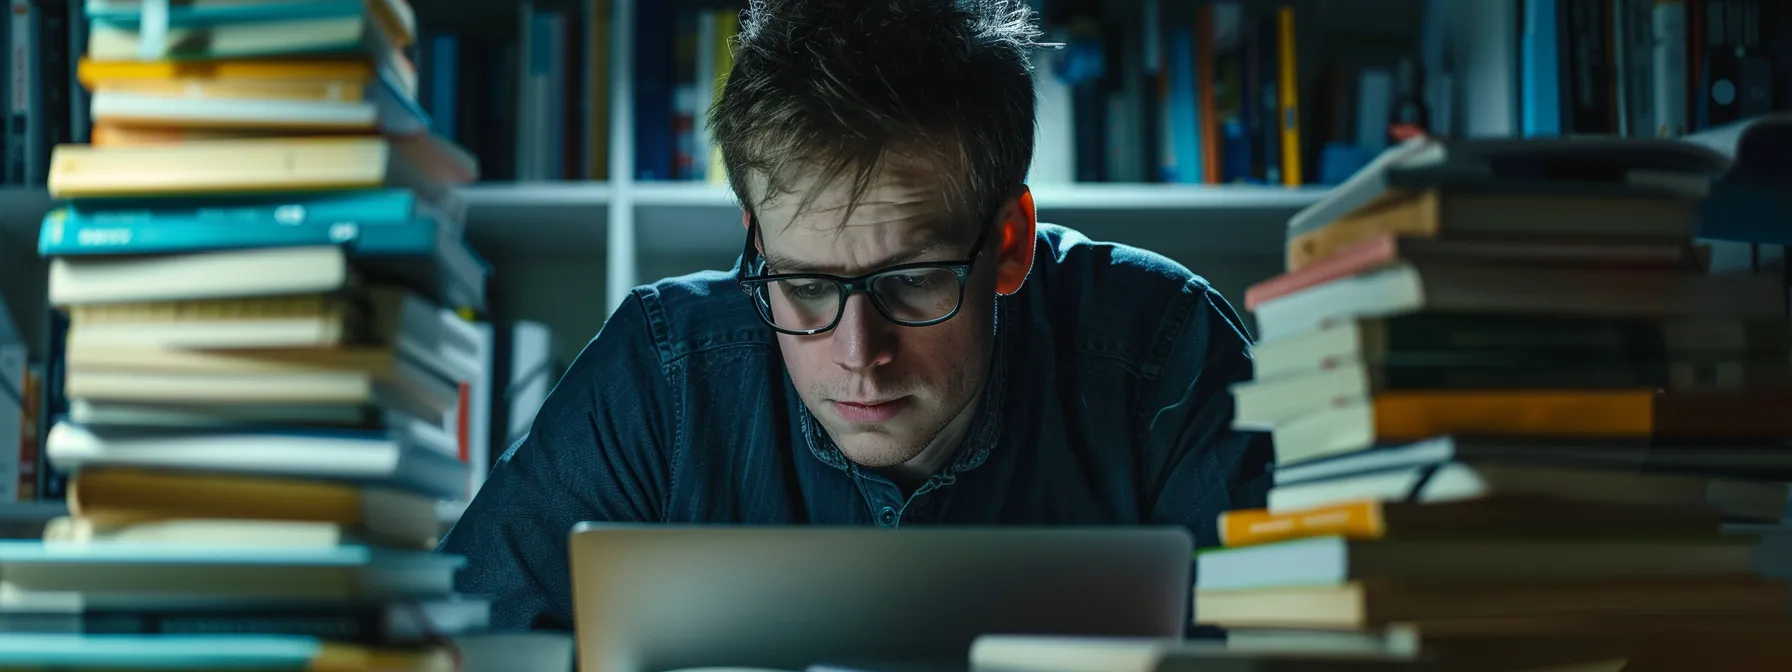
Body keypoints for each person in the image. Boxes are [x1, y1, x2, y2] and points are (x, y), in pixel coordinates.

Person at [440, 0, 1273, 631]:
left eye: (909, 281)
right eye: (803, 284)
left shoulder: (1165, 352)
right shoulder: (662, 372)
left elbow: (1294, 642)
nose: (857, 353)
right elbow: (466, 640)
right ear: (756, 240)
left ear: (1009, 243)